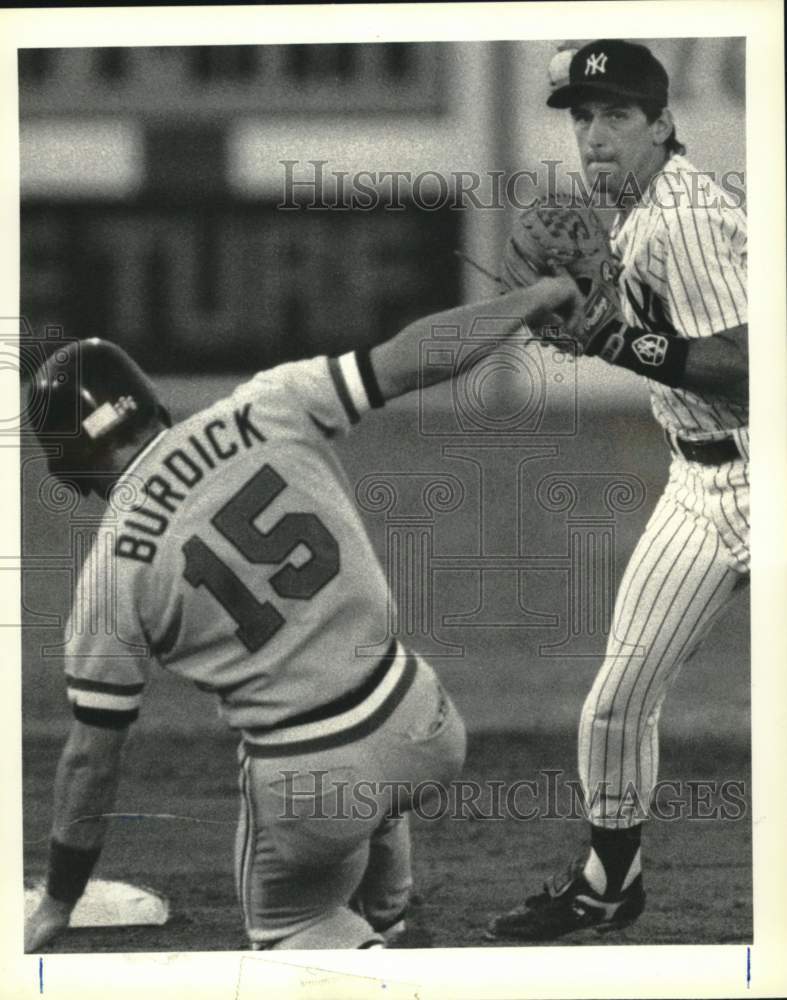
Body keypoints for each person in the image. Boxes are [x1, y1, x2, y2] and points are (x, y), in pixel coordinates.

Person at [24, 274, 582, 952]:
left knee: (291, 935)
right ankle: (389, 916)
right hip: (424, 723)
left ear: (70, 468)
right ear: (146, 400)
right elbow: (415, 355)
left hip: (310, 783)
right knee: (366, 795)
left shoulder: (110, 573)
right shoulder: (268, 403)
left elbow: (91, 759)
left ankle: (371, 952)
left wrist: (58, 902)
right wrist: (531, 298)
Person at [487, 39, 748, 942]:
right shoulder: (629, 216)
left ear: (664, 123)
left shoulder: (681, 215)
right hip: (698, 484)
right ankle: (607, 883)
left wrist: (615, 344)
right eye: (580, 117)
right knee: (617, 700)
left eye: (616, 116)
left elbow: (755, 366)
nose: (594, 136)